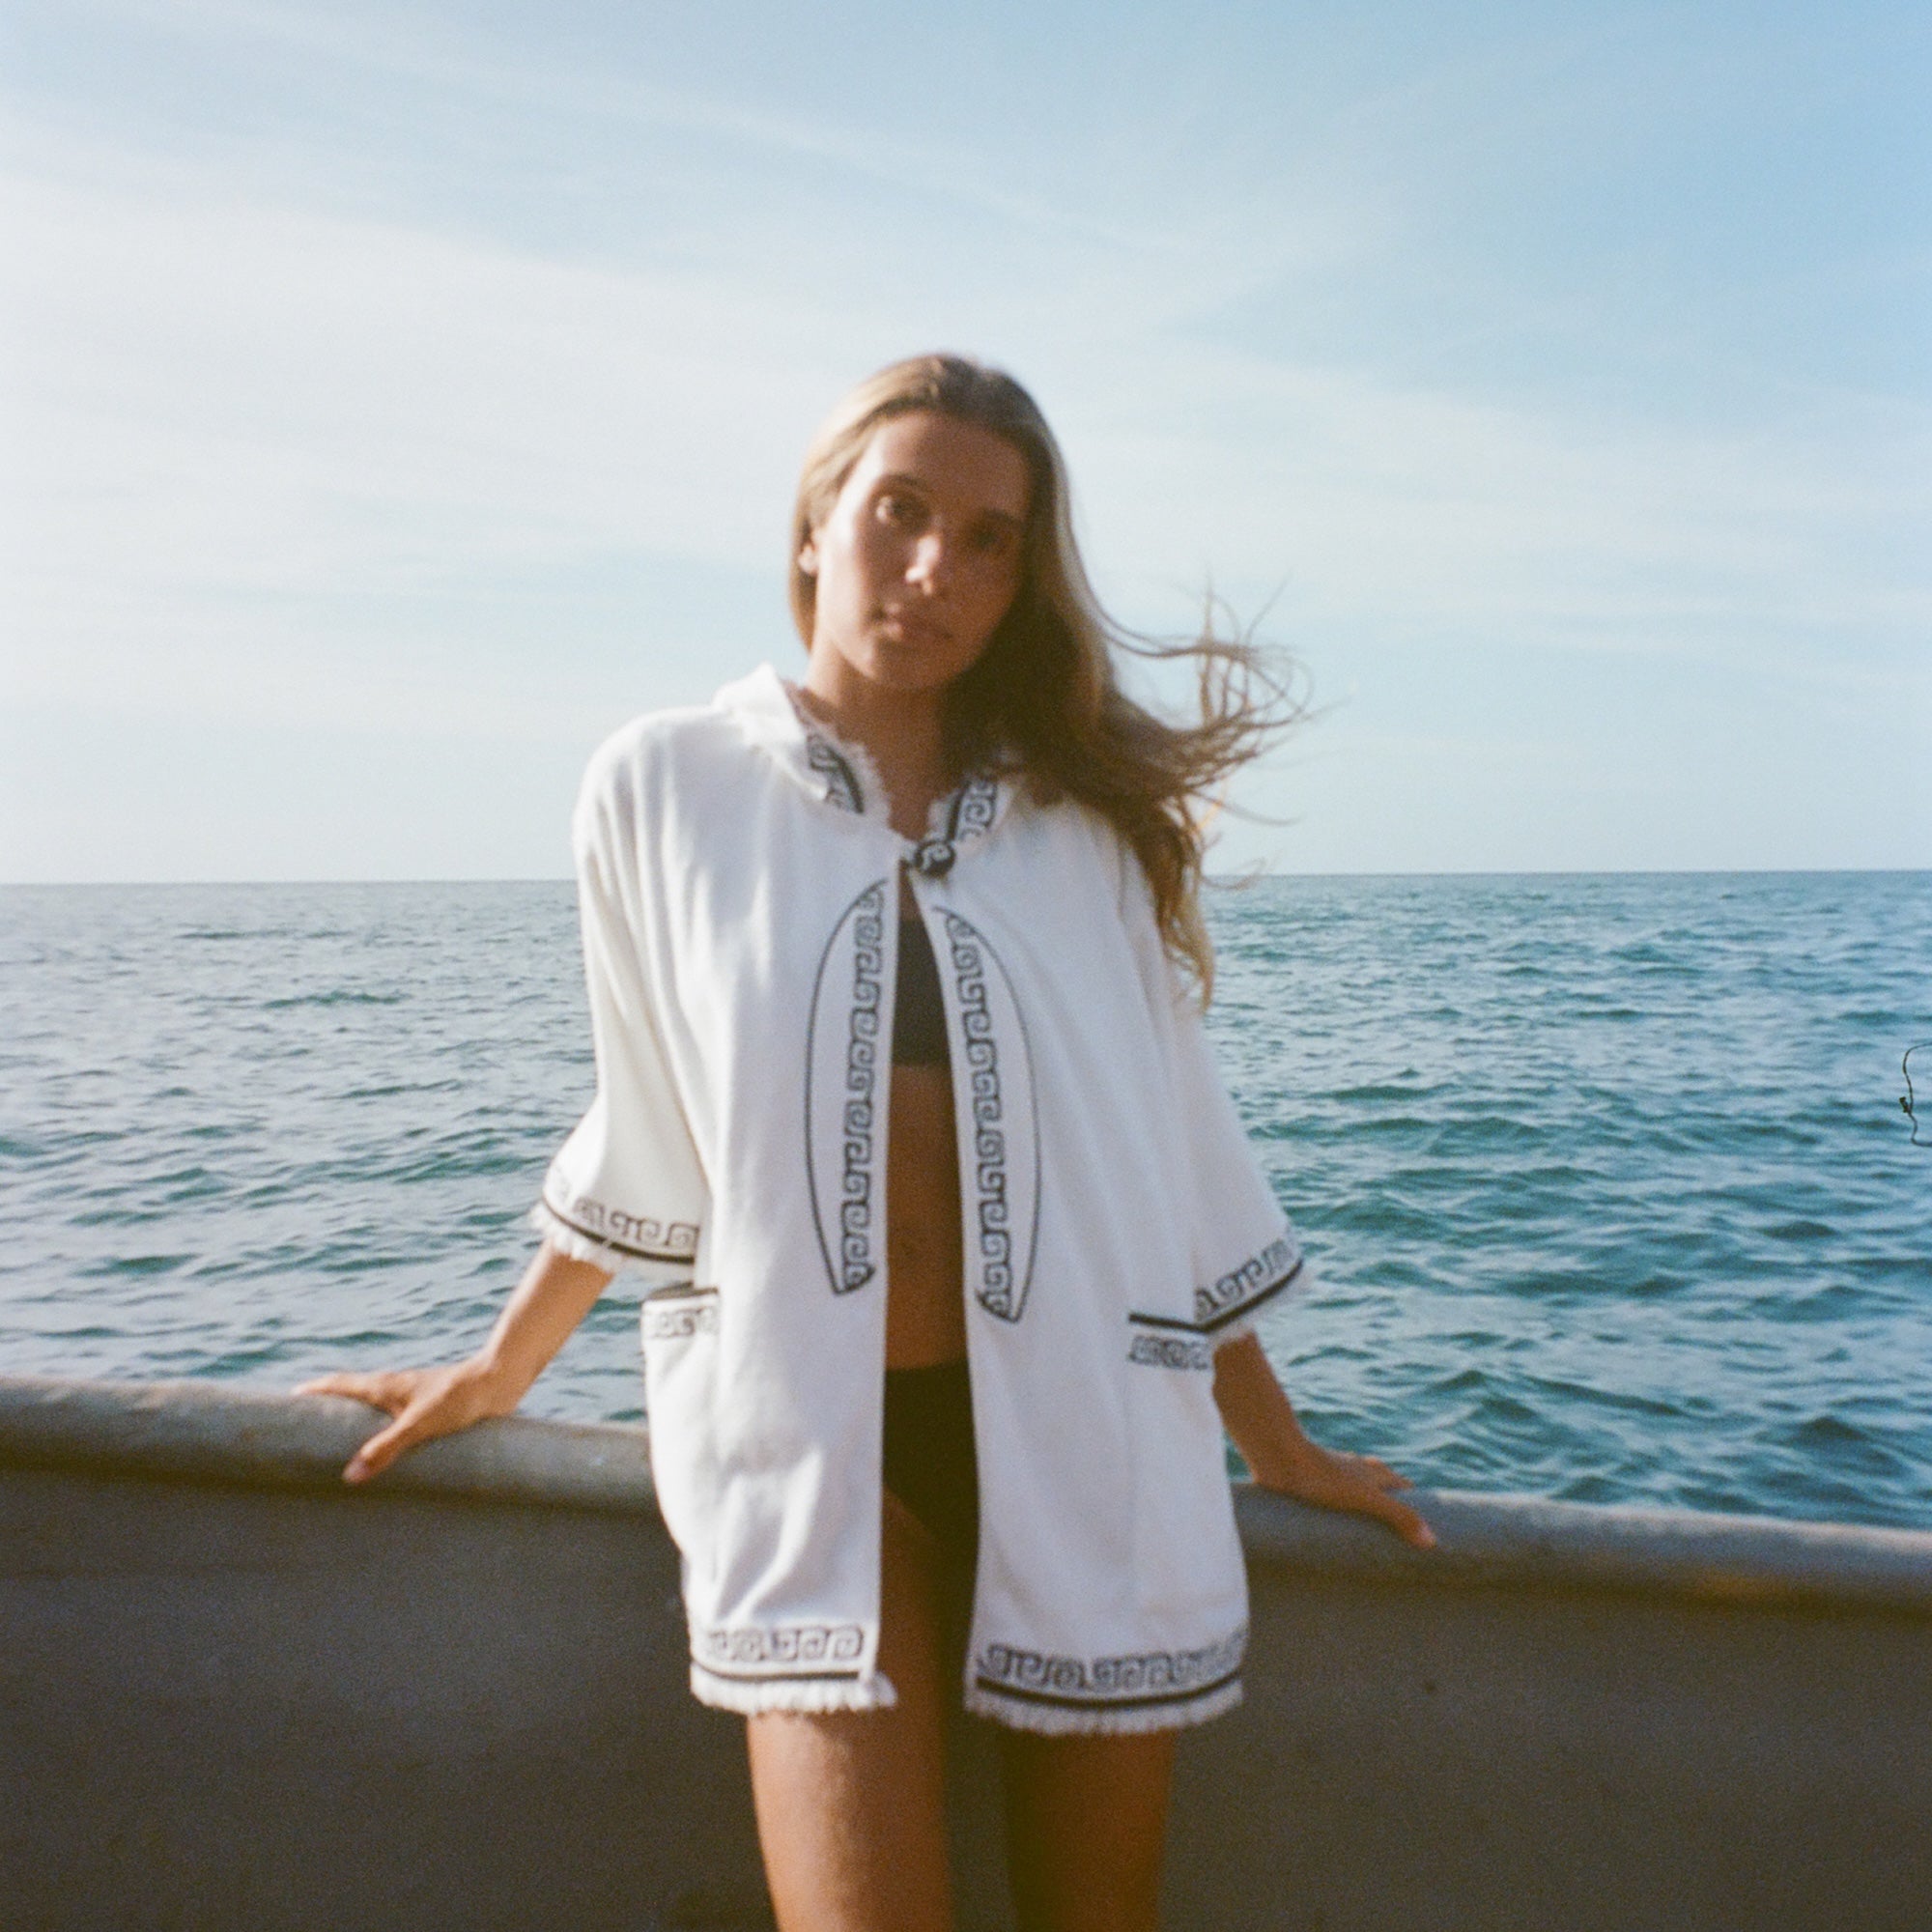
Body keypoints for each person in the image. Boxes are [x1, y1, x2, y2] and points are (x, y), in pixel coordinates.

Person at [300, 353, 1434, 1932]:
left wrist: (1279, 1444)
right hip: (815, 1456)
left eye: (991, 541)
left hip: (1095, 1449)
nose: (936, 569)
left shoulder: (1080, 832)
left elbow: (1171, 1155)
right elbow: (651, 1122)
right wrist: (499, 1371)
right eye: (901, 511)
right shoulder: (663, 787)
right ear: (817, 525)